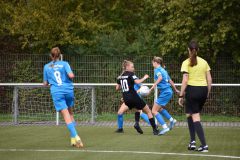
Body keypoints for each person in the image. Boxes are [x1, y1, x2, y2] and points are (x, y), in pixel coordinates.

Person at [43, 47, 83, 148]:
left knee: (65, 115)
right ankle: (73, 139)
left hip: (57, 92)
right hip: (68, 90)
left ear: (51, 55)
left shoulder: (46, 67)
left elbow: (45, 83)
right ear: (60, 55)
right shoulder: (64, 63)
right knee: (70, 112)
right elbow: (71, 75)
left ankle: (76, 136)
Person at [178, 40, 212, 152]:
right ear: (198, 50)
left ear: (188, 50)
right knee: (189, 114)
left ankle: (204, 145)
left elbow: (185, 80)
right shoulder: (204, 62)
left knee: (195, 116)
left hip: (192, 91)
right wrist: (207, 93)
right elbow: (209, 79)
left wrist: (181, 95)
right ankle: (192, 142)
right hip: (203, 90)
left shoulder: (186, 62)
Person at [115, 60, 159, 135]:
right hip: (133, 97)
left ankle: (136, 124)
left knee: (138, 109)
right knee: (148, 111)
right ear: (127, 67)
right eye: (132, 67)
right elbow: (138, 82)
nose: (133, 68)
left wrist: (125, 87)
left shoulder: (120, 76)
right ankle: (155, 130)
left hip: (126, 99)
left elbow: (117, 88)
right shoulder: (131, 74)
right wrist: (145, 77)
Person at [149, 56, 178, 135]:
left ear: (156, 62)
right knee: (160, 109)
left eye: (153, 63)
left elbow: (160, 78)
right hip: (168, 91)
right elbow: (170, 80)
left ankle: (165, 127)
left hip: (165, 92)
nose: (152, 64)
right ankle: (172, 120)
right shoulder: (164, 70)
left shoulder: (157, 70)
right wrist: (175, 89)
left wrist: (152, 87)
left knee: (154, 111)